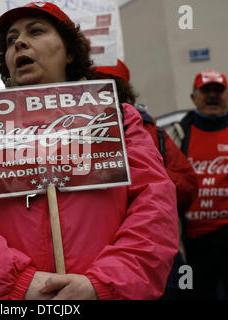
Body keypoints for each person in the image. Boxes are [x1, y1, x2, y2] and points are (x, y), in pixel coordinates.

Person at [0, 2, 178, 300]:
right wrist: (16, 283)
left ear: (69, 52)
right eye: (11, 39)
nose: (19, 42)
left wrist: (102, 285)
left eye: (36, 31)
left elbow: (155, 206)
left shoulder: (118, 116)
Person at [93, 61, 199, 299]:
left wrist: (147, 174)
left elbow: (188, 186)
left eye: (109, 87)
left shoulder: (150, 130)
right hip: (97, 254)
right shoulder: (72, 130)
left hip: (152, 248)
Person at [167, 69, 228, 299]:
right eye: (205, 91)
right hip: (194, 246)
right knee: (193, 295)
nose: (212, 96)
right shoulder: (176, 135)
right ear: (193, 98)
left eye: (218, 91)